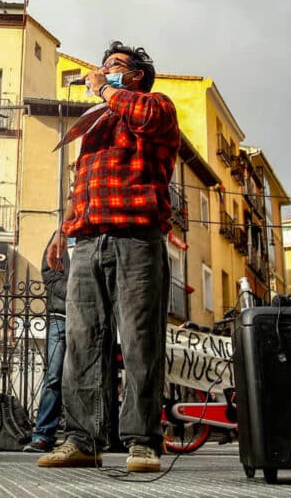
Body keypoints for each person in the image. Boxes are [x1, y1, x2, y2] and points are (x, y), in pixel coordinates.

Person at [37, 40, 180, 473]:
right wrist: (64, 228)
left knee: (139, 340)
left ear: (136, 76)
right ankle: (82, 439)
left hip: (136, 235)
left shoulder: (157, 105)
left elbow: (147, 117)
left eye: (115, 66)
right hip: (88, 237)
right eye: (103, 67)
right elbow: (83, 175)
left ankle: (142, 443)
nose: (102, 70)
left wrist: (104, 89)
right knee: (83, 342)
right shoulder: (96, 120)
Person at [23, 232, 71, 453]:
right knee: (54, 376)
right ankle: (44, 434)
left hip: (91, 318)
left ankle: (85, 436)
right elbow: (50, 276)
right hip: (61, 318)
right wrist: (80, 293)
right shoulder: (60, 237)